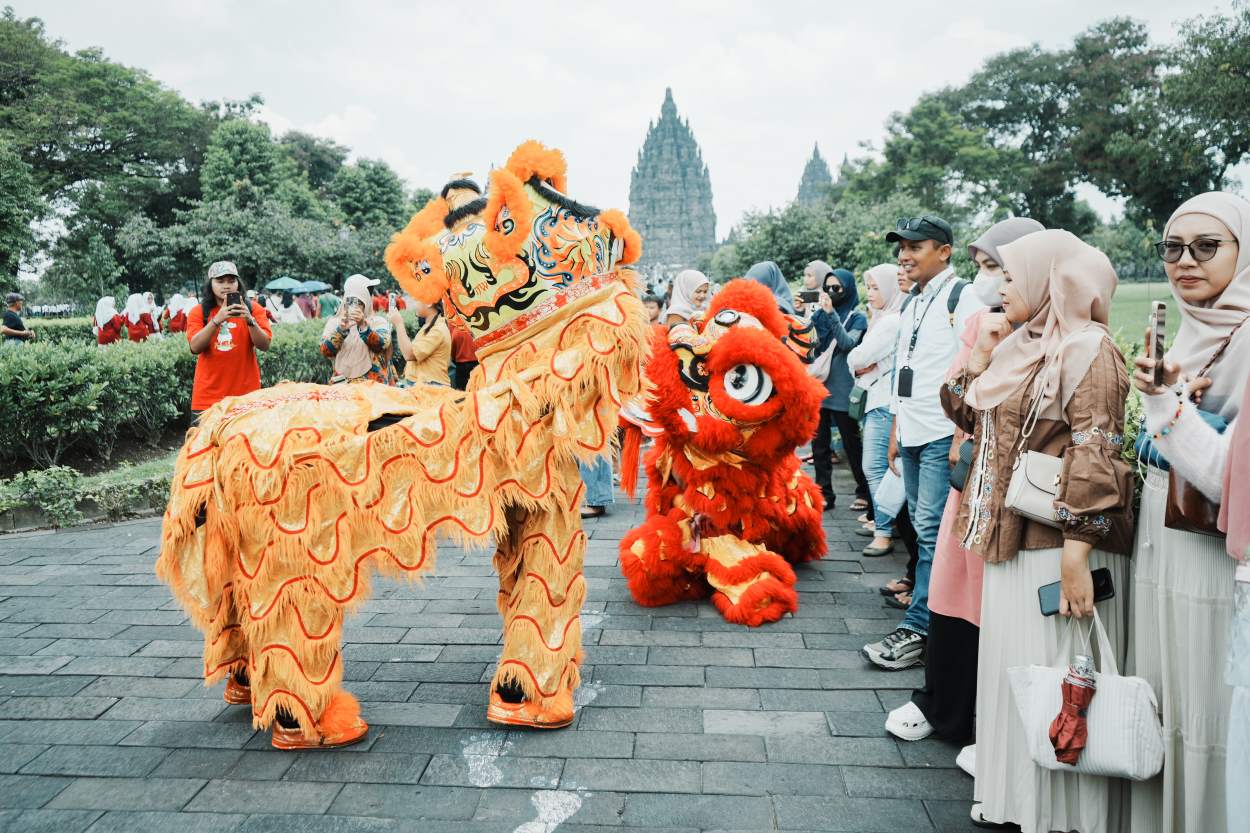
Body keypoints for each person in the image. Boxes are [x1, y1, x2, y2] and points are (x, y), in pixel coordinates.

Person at [941, 229, 1131, 832]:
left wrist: (1077, 555)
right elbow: (971, 416)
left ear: (1049, 280)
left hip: (1051, 546)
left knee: (1051, 677)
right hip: (1005, 540)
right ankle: (1015, 800)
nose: (999, 285)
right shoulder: (1021, 344)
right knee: (1012, 673)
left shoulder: (1086, 350)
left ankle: (1056, 813)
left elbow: (1098, 452)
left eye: (1011, 276)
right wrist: (977, 360)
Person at [885, 217, 1044, 764]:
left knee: (995, 606)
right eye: (985, 268)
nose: (994, 283)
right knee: (954, 593)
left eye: (1001, 268)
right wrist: (978, 361)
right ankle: (940, 704)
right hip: (970, 480)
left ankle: (989, 724)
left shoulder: (1060, 338)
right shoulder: (983, 326)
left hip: (1017, 496)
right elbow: (955, 397)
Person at [1128, 191, 1249, 833]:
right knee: (1167, 690)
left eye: (1208, 247)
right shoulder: (1191, 324)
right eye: (1173, 247)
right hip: (1164, 535)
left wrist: (1166, 405)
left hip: (1215, 557)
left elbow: (1231, 480)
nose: (1186, 262)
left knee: (1204, 700)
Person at [861, 215, 983, 671]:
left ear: (944, 251)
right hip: (911, 432)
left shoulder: (961, 296)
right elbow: (902, 373)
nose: (904, 256)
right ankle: (929, 619)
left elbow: (972, 369)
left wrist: (961, 435)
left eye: (915, 247)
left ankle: (920, 628)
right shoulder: (912, 302)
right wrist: (895, 430)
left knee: (932, 532)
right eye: (901, 249)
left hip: (939, 435)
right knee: (919, 527)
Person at [847, 263, 905, 555]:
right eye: (867, 287)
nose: (869, 293)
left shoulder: (891, 322)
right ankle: (883, 523)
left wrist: (861, 364)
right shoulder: (884, 318)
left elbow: (857, 357)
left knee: (876, 467)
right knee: (880, 467)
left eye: (874, 287)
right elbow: (857, 361)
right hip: (879, 400)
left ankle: (883, 531)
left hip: (883, 403)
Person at [810, 265, 869, 511]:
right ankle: (824, 493)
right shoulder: (821, 314)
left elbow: (847, 343)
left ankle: (863, 492)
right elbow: (811, 345)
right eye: (828, 287)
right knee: (819, 447)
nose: (832, 291)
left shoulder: (858, 318)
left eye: (837, 287)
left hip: (843, 391)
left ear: (848, 289)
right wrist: (813, 316)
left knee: (852, 446)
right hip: (819, 389)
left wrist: (831, 314)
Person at [186, 261, 272, 419]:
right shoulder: (198, 312)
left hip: (247, 398)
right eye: (220, 281)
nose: (226, 286)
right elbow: (195, 347)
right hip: (207, 400)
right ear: (210, 284)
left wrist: (250, 320)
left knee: (245, 443)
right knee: (205, 444)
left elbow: (264, 345)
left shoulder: (254, 309)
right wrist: (216, 320)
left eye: (231, 281)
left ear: (238, 283)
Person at [320, 274, 394, 384]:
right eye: (369, 292)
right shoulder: (335, 323)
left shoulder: (377, 322)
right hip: (342, 387)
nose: (371, 296)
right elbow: (326, 352)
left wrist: (363, 326)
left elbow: (382, 345)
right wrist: (341, 330)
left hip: (374, 389)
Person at [389, 299, 451, 386]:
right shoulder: (430, 325)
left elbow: (409, 354)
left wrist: (399, 324)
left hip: (431, 387)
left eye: (417, 300)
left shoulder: (437, 329)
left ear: (429, 303)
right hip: (424, 384)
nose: (415, 305)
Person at [450, 318, 479, 389]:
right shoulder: (477, 327)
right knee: (476, 388)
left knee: (462, 390)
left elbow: (452, 350)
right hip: (477, 362)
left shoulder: (456, 329)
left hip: (461, 365)